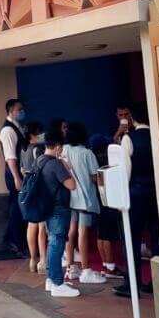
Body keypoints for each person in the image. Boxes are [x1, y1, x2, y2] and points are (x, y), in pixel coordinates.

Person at [115, 105, 159, 298]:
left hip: (135, 193)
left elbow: (124, 171)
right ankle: (158, 282)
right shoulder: (157, 137)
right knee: (157, 237)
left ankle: (132, 283)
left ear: (133, 119)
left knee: (131, 239)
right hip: (155, 193)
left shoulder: (128, 138)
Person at [37, 127, 79, 297]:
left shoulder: (40, 160)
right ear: (58, 146)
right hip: (58, 208)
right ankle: (57, 282)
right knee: (57, 243)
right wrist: (66, 166)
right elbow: (72, 185)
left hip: (47, 207)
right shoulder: (55, 163)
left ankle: (51, 279)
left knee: (52, 242)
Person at [62, 123, 105, 284]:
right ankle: (86, 270)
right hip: (85, 198)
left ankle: (71, 267)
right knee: (83, 232)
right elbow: (94, 176)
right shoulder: (87, 153)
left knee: (71, 231)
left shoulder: (64, 150)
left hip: (70, 197)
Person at [88, 133, 122, 278]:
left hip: (95, 200)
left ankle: (105, 265)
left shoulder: (91, 158)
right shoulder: (105, 161)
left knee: (100, 234)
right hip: (106, 200)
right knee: (107, 234)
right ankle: (110, 266)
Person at [0, 99, 27, 254]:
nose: (22, 112)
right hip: (14, 174)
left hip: (19, 173)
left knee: (18, 206)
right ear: (11, 111)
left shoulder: (18, 128)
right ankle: (14, 241)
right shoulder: (8, 131)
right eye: (19, 109)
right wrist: (17, 177)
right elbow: (10, 157)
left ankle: (13, 239)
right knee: (16, 208)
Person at [20, 122, 46, 272]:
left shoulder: (23, 150)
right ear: (33, 134)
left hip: (27, 187)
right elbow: (42, 169)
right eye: (39, 132)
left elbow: (23, 169)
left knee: (31, 223)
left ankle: (32, 259)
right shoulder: (37, 149)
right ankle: (42, 261)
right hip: (38, 188)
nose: (42, 135)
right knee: (42, 225)